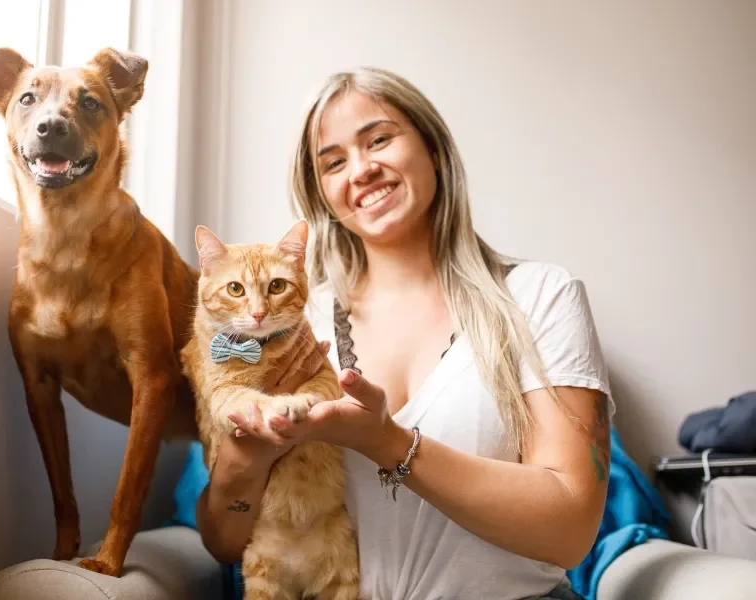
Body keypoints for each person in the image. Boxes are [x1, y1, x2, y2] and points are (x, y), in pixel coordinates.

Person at [195, 66, 613, 600]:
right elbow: (226, 543)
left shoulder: (539, 296)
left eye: (380, 140)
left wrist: (385, 441)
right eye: (334, 162)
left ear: (433, 148)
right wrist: (244, 460)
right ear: (322, 194)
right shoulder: (287, 321)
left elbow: (571, 533)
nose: (362, 169)